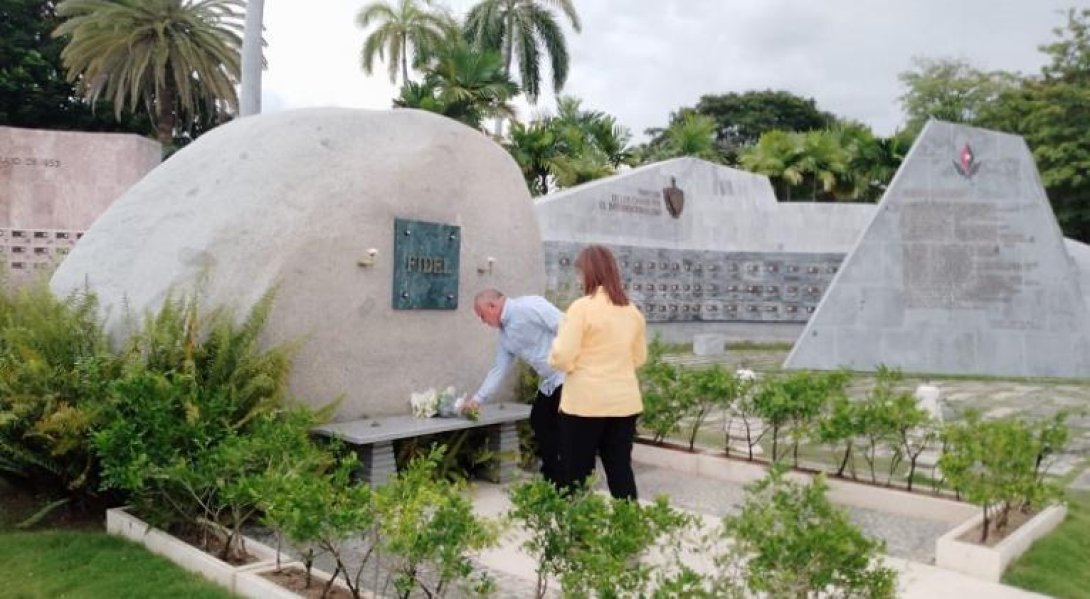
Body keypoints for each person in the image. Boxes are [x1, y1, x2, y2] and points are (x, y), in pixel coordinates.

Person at [548, 245, 647, 500]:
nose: (579, 279)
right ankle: (628, 530)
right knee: (620, 469)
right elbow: (639, 357)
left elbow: (563, 357)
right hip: (623, 403)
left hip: (585, 403)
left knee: (576, 473)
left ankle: (577, 535)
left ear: (588, 273)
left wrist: (571, 364)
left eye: (580, 273)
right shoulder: (632, 311)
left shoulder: (581, 308)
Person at [465, 289, 566, 485]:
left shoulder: (530, 306)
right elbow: (499, 369)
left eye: (481, 315)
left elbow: (566, 327)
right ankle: (553, 476)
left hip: (569, 375)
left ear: (492, 306)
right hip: (549, 381)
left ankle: (566, 477)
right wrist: (477, 399)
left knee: (561, 426)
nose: (482, 321)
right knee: (539, 419)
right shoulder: (505, 336)